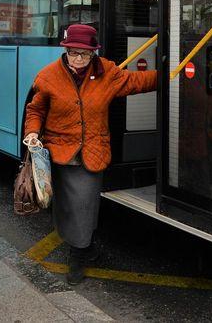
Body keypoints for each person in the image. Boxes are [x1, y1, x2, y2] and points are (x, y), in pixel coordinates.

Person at [23, 24, 157, 285]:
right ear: (65, 50)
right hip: (59, 151)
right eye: (73, 53)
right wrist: (32, 132)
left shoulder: (107, 73)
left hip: (92, 152)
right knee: (64, 207)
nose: (79, 60)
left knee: (84, 205)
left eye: (85, 54)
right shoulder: (49, 76)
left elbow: (136, 81)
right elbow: (35, 110)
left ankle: (78, 255)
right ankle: (85, 245)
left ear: (94, 53)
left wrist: (172, 73)